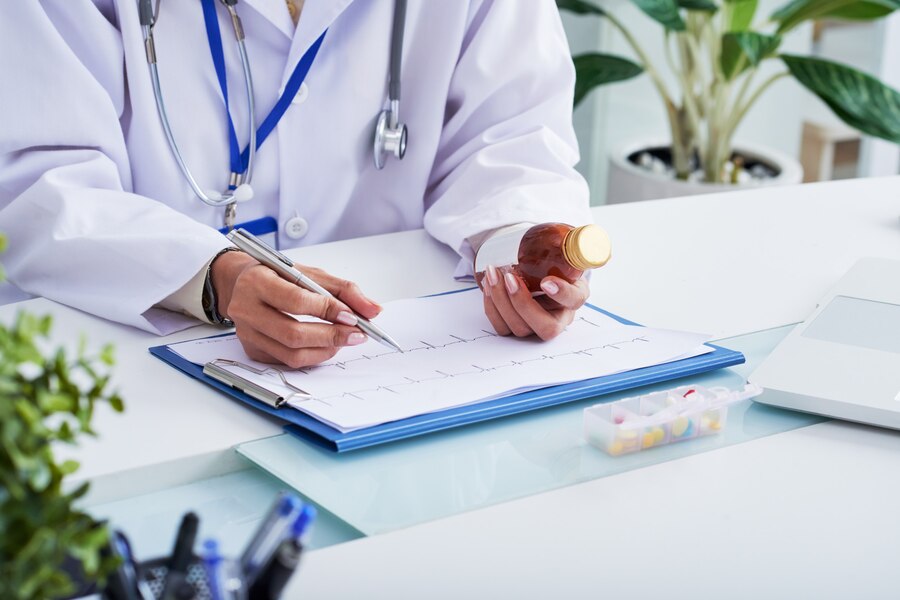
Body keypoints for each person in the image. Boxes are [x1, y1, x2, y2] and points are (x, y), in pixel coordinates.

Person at [0, 0, 593, 368]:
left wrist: (523, 249)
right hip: (132, 358)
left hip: (397, 357)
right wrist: (215, 277)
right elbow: (42, 184)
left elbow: (516, 133)